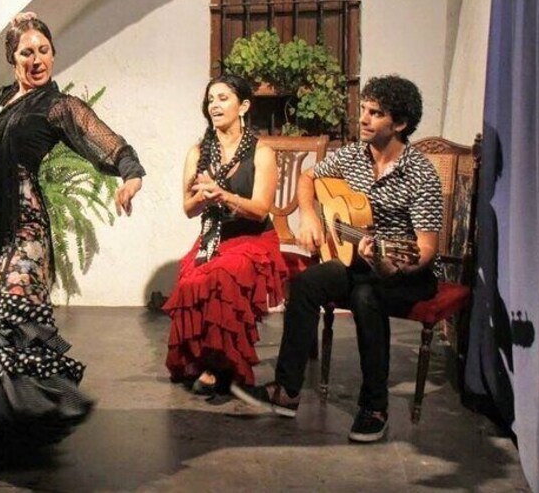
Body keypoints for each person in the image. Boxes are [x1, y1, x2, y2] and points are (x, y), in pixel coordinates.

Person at [0, 12, 145, 443]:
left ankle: (34, 403)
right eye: (27, 52)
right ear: (12, 58)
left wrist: (130, 176)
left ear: (54, 55)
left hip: (22, 224)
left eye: (43, 50)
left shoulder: (58, 106)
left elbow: (105, 141)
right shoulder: (1, 99)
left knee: (13, 309)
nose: (36, 59)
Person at [231, 75, 443, 443]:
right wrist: (310, 216)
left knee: (367, 296)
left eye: (374, 113)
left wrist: (394, 262)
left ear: (400, 124)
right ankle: (287, 390)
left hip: (407, 272)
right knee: (306, 283)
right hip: (360, 260)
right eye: (363, 109)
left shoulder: (421, 173)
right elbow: (309, 176)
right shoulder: (352, 156)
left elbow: (424, 248)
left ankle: (375, 406)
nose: (362, 118)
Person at [163, 74, 288, 396]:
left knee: (224, 273)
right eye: (210, 100)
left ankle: (223, 367)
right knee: (190, 280)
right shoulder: (197, 152)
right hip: (214, 236)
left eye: (223, 98)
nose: (214, 105)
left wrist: (224, 195)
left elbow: (261, 210)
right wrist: (204, 197)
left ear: (243, 106)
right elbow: (188, 209)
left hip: (254, 238)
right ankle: (204, 359)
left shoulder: (262, 152)